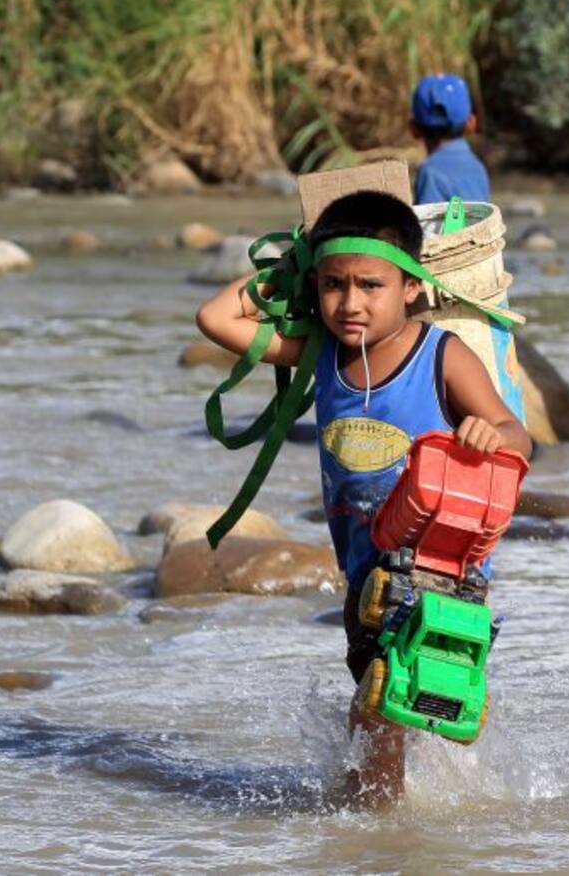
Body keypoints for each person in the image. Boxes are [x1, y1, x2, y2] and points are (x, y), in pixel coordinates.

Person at [196, 190, 530, 806]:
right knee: (391, 714)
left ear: (412, 286)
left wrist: (491, 432)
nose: (349, 303)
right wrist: (291, 267)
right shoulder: (323, 356)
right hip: (365, 580)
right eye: (332, 285)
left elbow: (519, 439)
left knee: (375, 717)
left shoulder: (441, 357)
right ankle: (403, 828)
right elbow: (216, 319)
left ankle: (373, 836)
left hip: (438, 574)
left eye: (370, 285)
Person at [410, 73, 491, 205]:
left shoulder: (430, 172)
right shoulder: (478, 168)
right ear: (471, 123)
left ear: (413, 128)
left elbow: (429, 223)